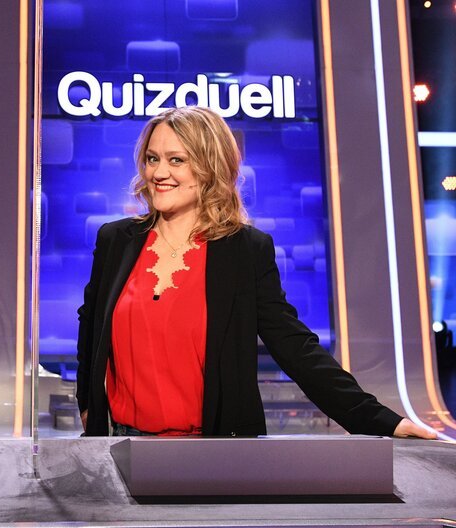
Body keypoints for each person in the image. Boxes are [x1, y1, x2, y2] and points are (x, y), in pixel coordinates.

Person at [76, 105, 435, 439]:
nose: (159, 173)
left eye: (177, 160)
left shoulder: (244, 250)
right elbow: (91, 326)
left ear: (210, 167)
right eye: (152, 159)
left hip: (216, 452)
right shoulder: (116, 240)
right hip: (120, 446)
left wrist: (381, 420)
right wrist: (86, 403)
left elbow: (294, 345)